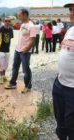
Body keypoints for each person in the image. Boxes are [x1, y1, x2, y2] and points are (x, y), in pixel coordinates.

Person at [52, 1, 74, 140]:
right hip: (60, 83)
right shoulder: (71, 30)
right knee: (60, 123)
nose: (72, 13)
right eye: (71, 10)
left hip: (72, 89)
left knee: (71, 125)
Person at [5, 8, 36, 94]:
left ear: (25, 15)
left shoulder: (31, 26)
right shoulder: (22, 25)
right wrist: (17, 48)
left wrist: (26, 49)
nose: (19, 17)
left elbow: (33, 41)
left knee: (26, 70)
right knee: (15, 67)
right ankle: (12, 83)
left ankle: (27, 86)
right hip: (17, 50)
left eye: (20, 15)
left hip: (25, 52)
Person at [0, 17, 13, 84]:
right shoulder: (0, 29)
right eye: (6, 21)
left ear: (10, 22)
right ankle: (1, 77)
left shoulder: (10, 29)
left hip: (7, 49)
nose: (7, 22)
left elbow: (9, 39)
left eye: (8, 21)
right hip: (0, 49)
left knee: (5, 63)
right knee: (1, 63)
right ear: (4, 21)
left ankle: (4, 76)